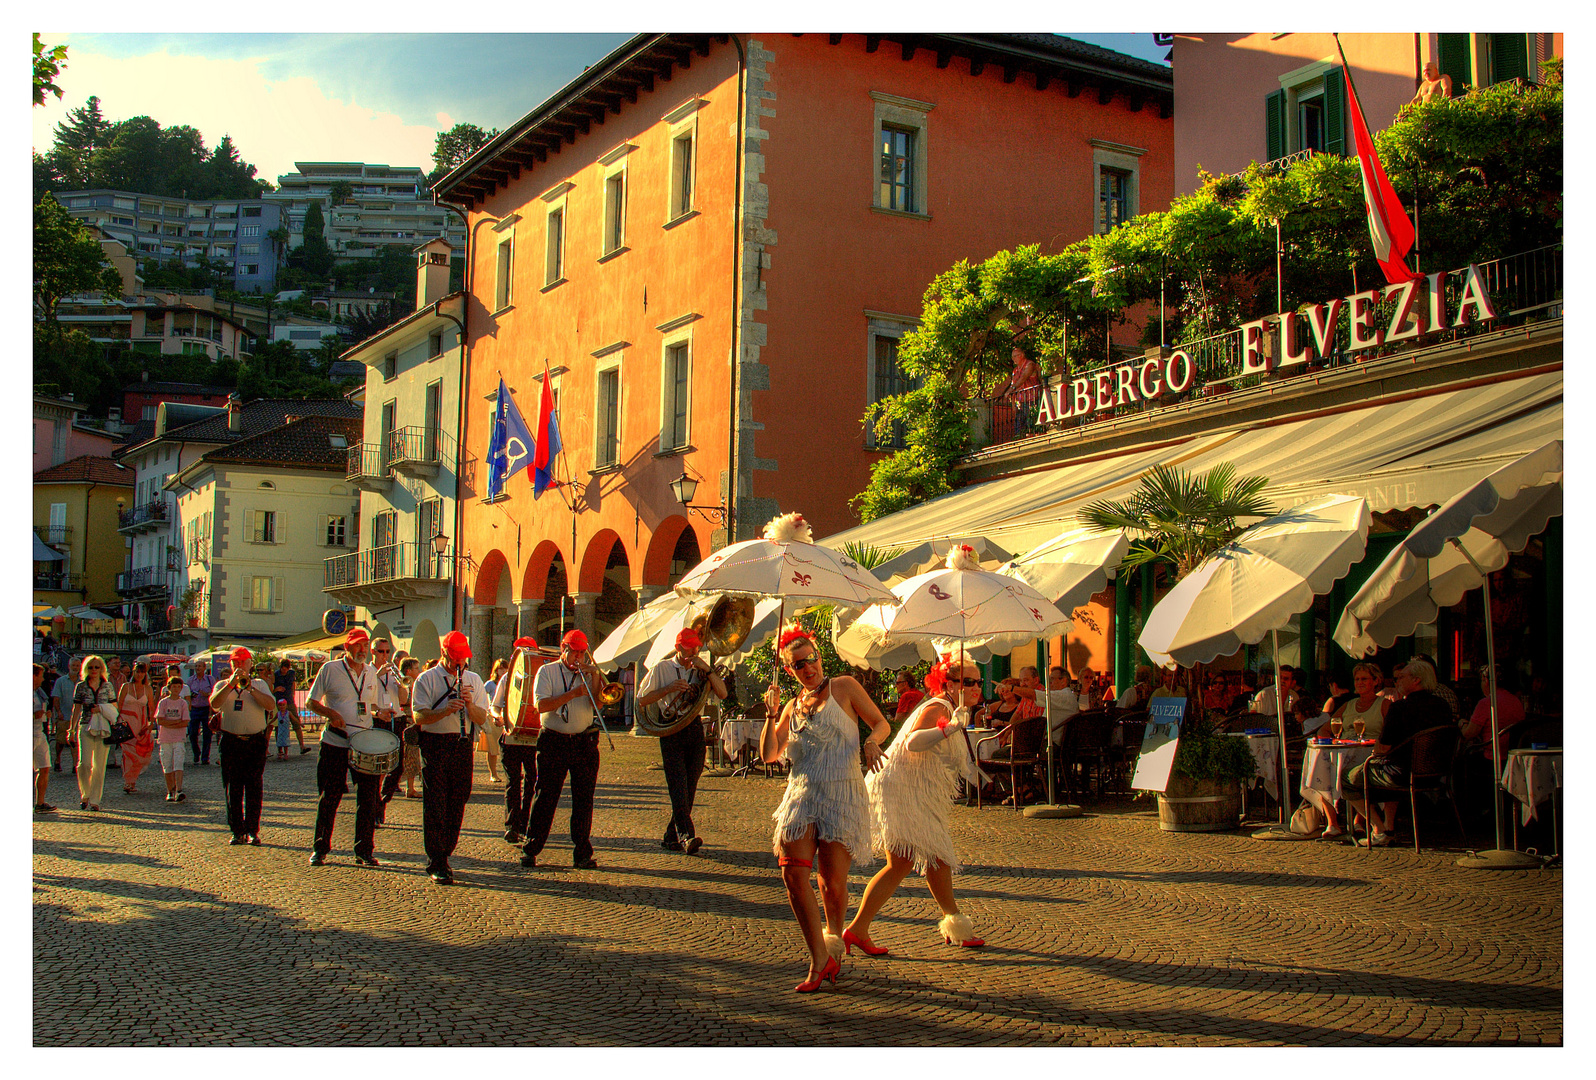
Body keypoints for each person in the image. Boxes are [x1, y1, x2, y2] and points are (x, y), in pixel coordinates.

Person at [760, 627, 890, 993]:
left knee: (831, 883)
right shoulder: (790, 706)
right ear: (789, 671)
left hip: (841, 793)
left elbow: (881, 723)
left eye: (811, 659)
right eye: (798, 664)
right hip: (801, 794)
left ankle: (834, 937)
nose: (807, 668)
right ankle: (819, 956)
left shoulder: (845, 686)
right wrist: (771, 715)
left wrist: (871, 742)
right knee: (792, 875)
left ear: (819, 656)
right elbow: (770, 754)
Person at [845, 655, 984, 956]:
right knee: (919, 860)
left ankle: (860, 930)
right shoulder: (940, 707)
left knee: (926, 860)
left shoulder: (952, 708)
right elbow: (913, 742)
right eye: (969, 682)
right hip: (901, 791)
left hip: (912, 791)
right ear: (950, 684)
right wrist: (950, 727)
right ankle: (858, 929)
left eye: (978, 682)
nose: (976, 688)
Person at [304, 628, 392, 867]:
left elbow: (369, 706)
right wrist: (330, 713)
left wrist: (379, 712)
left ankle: (364, 850)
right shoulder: (330, 669)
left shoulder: (371, 673)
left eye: (365, 645)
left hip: (364, 743)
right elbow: (311, 702)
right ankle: (320, 848)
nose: (362, 650)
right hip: (336, 742)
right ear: (347, 647)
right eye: (357, 646)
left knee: (368, 799)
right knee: (329, 797)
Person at [520, 630, 607, 871]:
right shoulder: (547, 671)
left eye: (582, 653)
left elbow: (598, 704)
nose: (577, 658)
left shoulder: (588, 673)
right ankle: (531, 848)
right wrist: (572, 693)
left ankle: (582, 852)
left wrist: (595, 678)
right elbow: (542, 705)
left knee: (584, 800)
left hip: (584, 741)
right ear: (563, 649)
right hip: (553, 740)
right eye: (574, 652)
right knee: (546, 796)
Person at [1342, 659, 1452, 847]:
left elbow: (1382, 749)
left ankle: (1379, 828)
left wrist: (1377, 751)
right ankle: (1389, 826)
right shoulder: (1443, 706)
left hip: (1400, 775)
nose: (1396, 681)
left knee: (1346, 778)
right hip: (1436, 774)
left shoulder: (1400, 707)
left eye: (1401, 677)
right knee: (1387, 767)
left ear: (1416, 680)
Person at [637, 627, 726, 856]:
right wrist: (669, 689)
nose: (694, 651)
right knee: (677, 784)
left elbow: (723, 694)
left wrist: (707, 670)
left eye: (697, 647)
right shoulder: (662, 668)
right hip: (671, 727)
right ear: (678, 647)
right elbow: (643, 699)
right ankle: (686, 836)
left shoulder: (700, 670)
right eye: (689, 647)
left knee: (691, 784)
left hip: (694, 727)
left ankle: (670, 837)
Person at [410, 631, 489, 885]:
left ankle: (446, 850)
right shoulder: (426, 679)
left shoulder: (474, 680)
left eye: (463, 659)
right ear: (444, 653)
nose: (460, 664)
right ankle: (437, 859)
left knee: (459, 798)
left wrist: (469, 705)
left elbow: (481, 718)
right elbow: (419, 717)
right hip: (435, 744)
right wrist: (444, 711)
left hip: (462, 744)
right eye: (456, 659)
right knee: (435, 801)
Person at [210, 646, 275, 846]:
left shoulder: (259, 684)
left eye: (242, 662)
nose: (239, 666)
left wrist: (250, 689)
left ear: (250, 664)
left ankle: (253, 830)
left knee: (254, 787)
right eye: (235, 662)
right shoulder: (223, 684)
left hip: (254, 741)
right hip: (231, 741)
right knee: (233, 789)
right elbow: (214, 704)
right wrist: (231, 685)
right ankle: (237, 830)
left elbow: (270, 705)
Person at [493, 638, 541, 843]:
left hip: (533, 738)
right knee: (513, 782)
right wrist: (498, 717)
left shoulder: (543, 676)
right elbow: (495, 705)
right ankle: (511, 825)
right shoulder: (507, 678)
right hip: (511, 737)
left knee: (532, 782)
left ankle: (526, 824)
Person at [70, 655, 117, 811]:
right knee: (85, 764)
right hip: (86, 725)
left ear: (102, 669)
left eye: (97, 667)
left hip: (103, 727)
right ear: (86, 669)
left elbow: (114, 706)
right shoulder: (81, 686)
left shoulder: (107, 686)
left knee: (99, 765)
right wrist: (71, 729)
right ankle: (85, 794)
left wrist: (103, 709)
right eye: (91, 667)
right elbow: (76, 708)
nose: (94, 670)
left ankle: (95, 799)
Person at [370, 639, 407, 822]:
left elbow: (403, 699)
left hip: (396, 718)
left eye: (387, 651)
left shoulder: (394, 672)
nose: (384, 655)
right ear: (373, 652)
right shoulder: (369, 672)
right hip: (377, 719)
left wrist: (401, 684)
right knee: (378, 767)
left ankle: (382, 800)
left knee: (398, 767)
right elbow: (364, 694)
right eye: (381, 651)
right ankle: (375, 805)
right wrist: (377, 675)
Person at [1461, 666, 1526, 762]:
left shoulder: (1487, 703)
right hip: (1513, 756)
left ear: (1486, 681)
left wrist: (1462, 724)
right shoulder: (1516, 701)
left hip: (1491, 757)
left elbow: (1468, 734)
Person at [114, 661, 155, 795]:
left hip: (140, 723)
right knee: (127, 753)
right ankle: (128, 781)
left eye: (142, 672)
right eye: (137, 671)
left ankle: (133, 781)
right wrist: (115, 722)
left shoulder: (147, 689)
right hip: (126, 722)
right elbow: (119, 705)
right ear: (134, 672)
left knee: (139, 752)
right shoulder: (126, 686)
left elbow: (151, 708)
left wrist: (151, 724)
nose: (139, 674)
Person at [1014, 664, 1079, 746]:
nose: (1049, 682)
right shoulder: (1062, 696)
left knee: (999, 754)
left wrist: (1011, 688)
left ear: (1063, 681)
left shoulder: (1063, 695)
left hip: (1049, 744)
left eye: (1052, 679)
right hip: (1045, 741)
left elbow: (1035, 695)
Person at [154, 676, 189, 801]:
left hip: (179, 738)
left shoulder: (183, 703)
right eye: (174, 686)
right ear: (169, 688)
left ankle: (179, 789)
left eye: (178, 687)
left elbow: (185, 722)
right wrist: (176, 723)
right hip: (165, 738)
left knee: (178, 763)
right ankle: (170, 790)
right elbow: (160, 720)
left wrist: (169, 723)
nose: (176, 689)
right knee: (167, 764)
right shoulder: (163, 702)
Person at [480, 658, 509, 783]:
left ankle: (508, 772)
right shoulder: (490, 684)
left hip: (507, 716)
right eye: (500, 669)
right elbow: (481, 695)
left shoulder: (509, 681)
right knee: (492, 748)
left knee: (506, 747)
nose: (502, 671)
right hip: (493, 716)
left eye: (504, 668)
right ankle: (493, 773)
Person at [273, 659, 310, 754]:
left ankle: (302, 746)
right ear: (281, 667)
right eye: (283, 669)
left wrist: (293, 695)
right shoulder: (276, 674)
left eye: (286, 669)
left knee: (296, 723)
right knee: (279, 725)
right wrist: (276, 689)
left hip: (289, 701)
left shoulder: (291, 673)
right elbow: (271, 686)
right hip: (279, 701)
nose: (285, 671)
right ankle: (280, 749)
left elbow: (293, 684)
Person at [34, 664, 57, 813]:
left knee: (45, 767)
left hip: (39, 731)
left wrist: (44, 714)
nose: (43, 679)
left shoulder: (38, 692)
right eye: (41, 675)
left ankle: (40, 802)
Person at [185, 658, 216, 767]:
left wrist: (207, 694)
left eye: (199, 666)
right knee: (193, 733)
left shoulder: (209, 679)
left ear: (204, 668)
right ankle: (196, 753)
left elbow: (214, 693)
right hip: (194, 708)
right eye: (196, 666)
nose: (197, 668)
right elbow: (186, 693)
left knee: (207, 734)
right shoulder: (190, 680)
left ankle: (205, 757)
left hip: (206, 708)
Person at [51, 656, 80, 773]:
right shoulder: (61, 681)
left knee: (76, 741)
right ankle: (57, 759)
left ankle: (75, 764)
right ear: (69, 666)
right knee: (60, 741)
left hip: (78, 717)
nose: (75, 668)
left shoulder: (82, 681)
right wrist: (58, 712)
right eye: (73, 665)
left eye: (77, 666)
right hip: (64, 715)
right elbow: (56, 698)